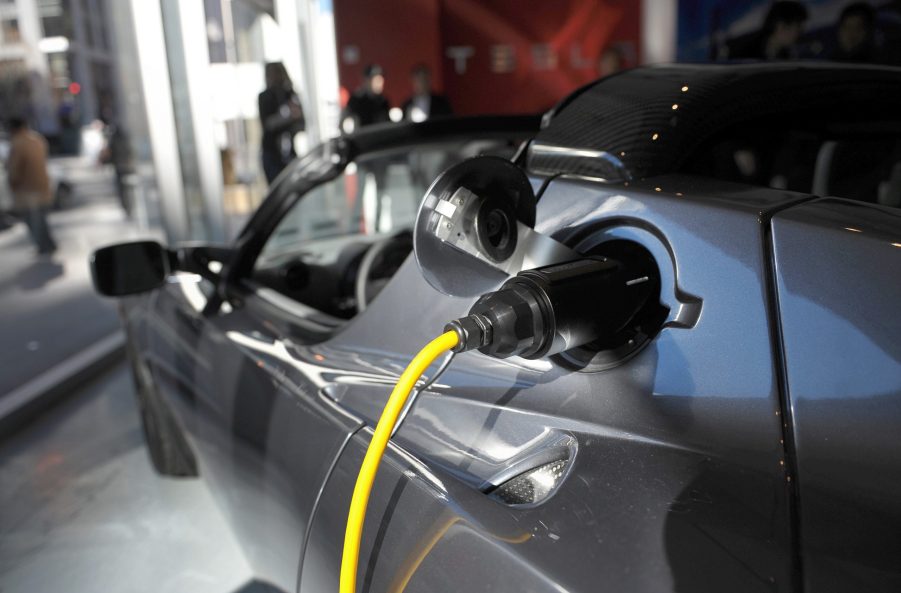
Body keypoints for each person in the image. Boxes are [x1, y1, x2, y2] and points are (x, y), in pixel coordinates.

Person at [5, 116, 57, 255]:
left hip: (26, 189)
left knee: (33, 220)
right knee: (41, 219)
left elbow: (15, 168)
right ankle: (48, 244)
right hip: (42, 185)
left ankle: (43, 246)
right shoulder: (37, 139)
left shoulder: (17, 143)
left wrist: (12, 183)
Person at [258, 62, 305, 184]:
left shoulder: (290, 94)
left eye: (277, 73)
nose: (275, 77)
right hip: (272, 152)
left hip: (289, 152)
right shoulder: (265, 97)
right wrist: (289, 117)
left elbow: (301, 123)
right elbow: (268, 124)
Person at [725, 1, 809, 60]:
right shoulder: (745, 51)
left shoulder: (786, 56)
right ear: (781, 26)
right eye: (797, 28)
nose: (799, 33)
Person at [342, 64, 390, 132]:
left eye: (381, 79)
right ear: (366, 81)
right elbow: (345, 123)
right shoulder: (356, 100)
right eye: (376, 79)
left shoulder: (383, 101)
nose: (379, 83)